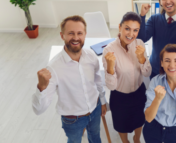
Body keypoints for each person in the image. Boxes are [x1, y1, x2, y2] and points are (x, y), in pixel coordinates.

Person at [32, 15, 107, 143]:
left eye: (79, 33)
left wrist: (102, 101)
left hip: (95, 109)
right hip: (73, 119)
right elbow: (38, 110)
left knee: (95, 137)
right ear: (62, 36)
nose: (76, 38)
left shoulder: (91, 56)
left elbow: (97, 81)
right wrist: (41, 87)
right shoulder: (53, 68)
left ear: (85, 35)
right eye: (71, 33)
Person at [102, 12, 152, 143]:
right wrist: (110, 67)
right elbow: (111, 86)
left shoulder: (140, 43)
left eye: (135, 30)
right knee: (120, 123)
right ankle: (125, 141)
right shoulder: (109, 50)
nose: (131, 34)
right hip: (120, 96)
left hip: (139, 92)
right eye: (127, 28)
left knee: (139, 119)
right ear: (120, 27)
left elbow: (146, 73)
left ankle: (137, 138)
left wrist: (142, 59)